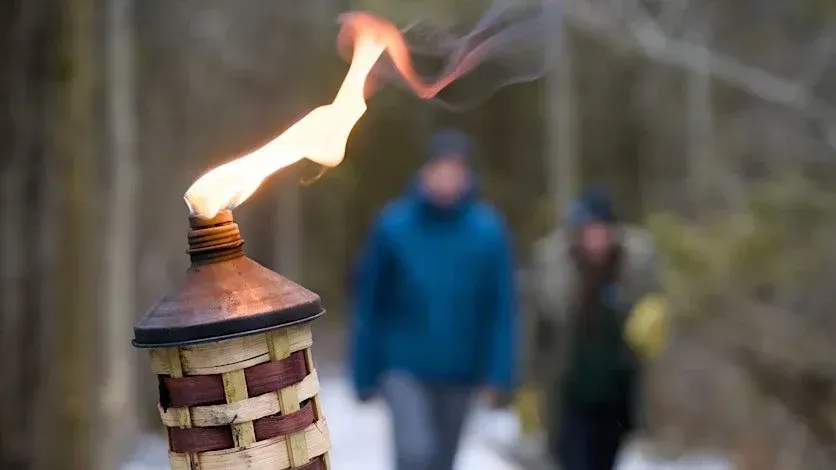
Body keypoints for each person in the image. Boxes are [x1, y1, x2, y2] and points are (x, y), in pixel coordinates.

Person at [350, 128, 518, 470]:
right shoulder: (394, 226)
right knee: (414, 453)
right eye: (440, 168)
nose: (447, 178)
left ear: (467, 175)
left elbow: (501, 308)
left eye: (455, 170)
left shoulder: (488, 232)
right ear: (426, 171)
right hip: (404, 366)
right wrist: (364, 370)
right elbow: (370, 302)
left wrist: (499, 373)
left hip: (461, 370)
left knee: (442, 460)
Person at [525, 187, 659, 470]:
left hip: (617, 395)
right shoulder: (555, 268)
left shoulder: (633, 267)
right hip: (569, 393)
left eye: (602, 230)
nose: (596, 239)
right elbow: (536, 333)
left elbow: (657, 315)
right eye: (589, 230)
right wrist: (527, 386)